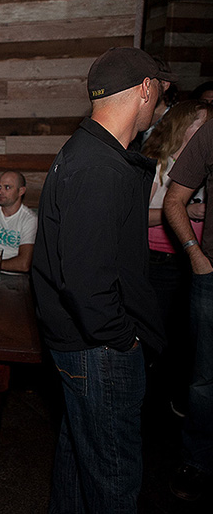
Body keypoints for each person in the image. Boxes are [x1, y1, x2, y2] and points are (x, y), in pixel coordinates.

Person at [32, 47, 174, 512]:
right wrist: (123, 339)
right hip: (99, 349)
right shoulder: (98, 165)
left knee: (79, 464)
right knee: (113, 480)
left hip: (83, 344)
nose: (160, 104)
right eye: (160, 92)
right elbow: (86, 280)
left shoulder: (88, 151)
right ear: (145, 89)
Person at [142, 101, 213, 418]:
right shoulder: (158, 163)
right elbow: (137, 215)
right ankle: (148, 405)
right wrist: (185, 210)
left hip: (193, 260)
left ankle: (173, 399)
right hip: (159, 260)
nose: (207, 130)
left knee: (186, 340)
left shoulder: (204, 163)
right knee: (157, 336)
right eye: (202, 123)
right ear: (183, 126)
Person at [163, 114, 213, 502]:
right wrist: (196, 256)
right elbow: (174, 199)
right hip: (211, 274)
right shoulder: (211, 133)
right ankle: (197, 461)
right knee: (205, 379)